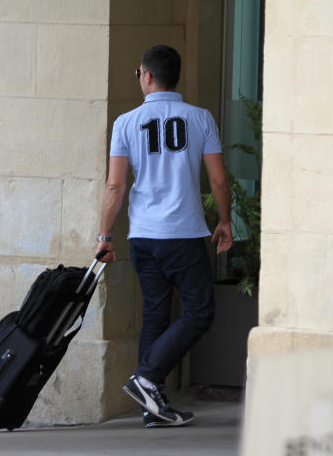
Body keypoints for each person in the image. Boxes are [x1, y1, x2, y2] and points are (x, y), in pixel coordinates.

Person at [96, 45, 233, 427]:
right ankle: (148, 379)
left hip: (143, 236)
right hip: (185, 234)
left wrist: (105, 235)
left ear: (147, 75)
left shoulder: (126, 123)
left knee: (155, 314)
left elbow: (114, 187)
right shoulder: (200, 118)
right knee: (200, 312)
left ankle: (151, 404)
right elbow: (218, 179)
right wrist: (225, 220)